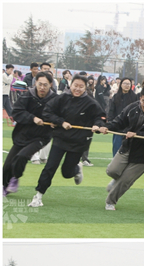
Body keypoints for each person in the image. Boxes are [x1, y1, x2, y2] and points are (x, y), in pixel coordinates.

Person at [27, 75, 105, 208]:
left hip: (79, 142)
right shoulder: (61, 98)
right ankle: (38, 196)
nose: (78, 89)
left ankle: (76, 169)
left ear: (85, 88)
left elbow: (101, 117)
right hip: (60, 138)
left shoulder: (91, 102)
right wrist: (61, 122)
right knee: (50, 167)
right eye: (75, 85)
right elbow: (47, 112)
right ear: (71, 84)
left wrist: (97, 125)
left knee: (66, 173)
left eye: (81, 86)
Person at [99, 84, 144, 210]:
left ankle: (110, 201)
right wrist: (106, 127)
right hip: (128, 145)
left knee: (126, 180)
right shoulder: (133, 108)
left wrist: (137, 134)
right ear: (140, 98)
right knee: (112, 171)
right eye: (143, 101)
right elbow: (119, 121)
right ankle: (115, 179)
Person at [3, 72, 56, 196]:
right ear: (35, 83)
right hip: (22, 134)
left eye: (45, 85)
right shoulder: (26, 96)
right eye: (40, 84)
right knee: (7, 166)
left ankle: (15, 178)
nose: (42, 87)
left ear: (50, 85)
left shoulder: (55, 100)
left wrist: (55, 121)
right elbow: (17, 112)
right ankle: (4, 186)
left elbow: (60, 114)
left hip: (41, 136)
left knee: (21, 157)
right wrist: (33, 118)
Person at [107, 78, 138, 157]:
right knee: (116, 148)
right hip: (118, 127)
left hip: (129, 128)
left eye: (128, 84)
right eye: (125, 83)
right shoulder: (116, 96)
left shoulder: (134, 97)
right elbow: (111, 111)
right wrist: (110, 123)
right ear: (120, 85)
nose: (127, 86)